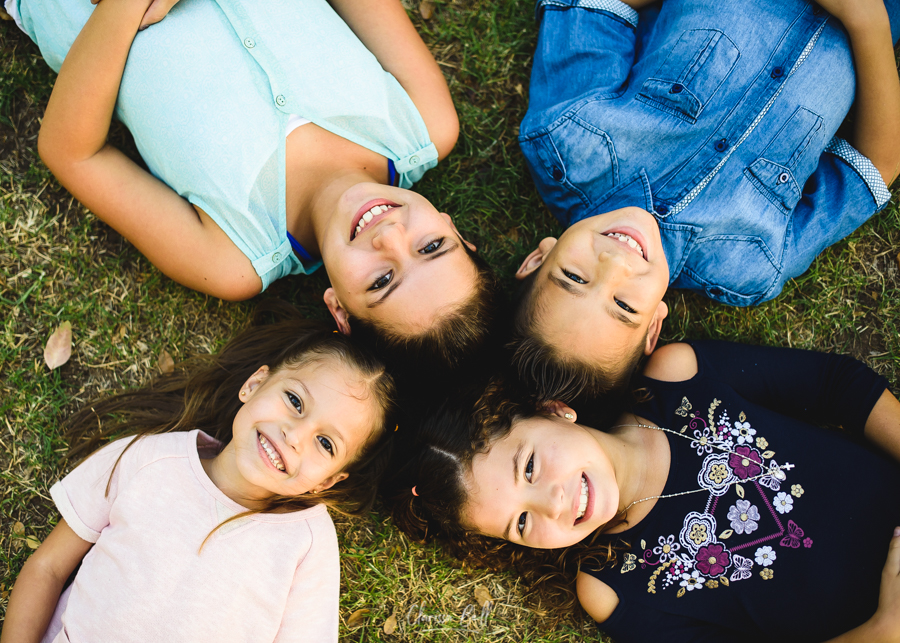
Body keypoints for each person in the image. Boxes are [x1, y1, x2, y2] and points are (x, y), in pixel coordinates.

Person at [6, 0, 500, 367]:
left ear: (340, 312)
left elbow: (73, 151)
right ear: (455, 229)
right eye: (432, 246)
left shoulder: (233, 257)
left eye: (382, 281)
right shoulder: (425, 123)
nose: (390, 236)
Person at [509, 0, 900, 397]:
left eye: (574, 277)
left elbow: (597, 8)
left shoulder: (565, 145)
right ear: (653, 327)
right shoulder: (749, 266)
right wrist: (867, 22)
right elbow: (874, 167)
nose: (615, 264)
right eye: (624, 306)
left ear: (538, 259)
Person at [390, 340, 900, 641]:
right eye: (521, 524)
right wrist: (883, 631)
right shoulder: (612, 587)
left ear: (554, 410)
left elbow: (837, 387)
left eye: (529, 467)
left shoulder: (680, 377)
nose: (552, 503)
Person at [1, 302, 396, 643]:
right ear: (255, 384)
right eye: (295, 400)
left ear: (326, 482)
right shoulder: (146, 457)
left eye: (326, 444)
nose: (295, 436)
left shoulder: (307, 543)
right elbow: (47, 568)